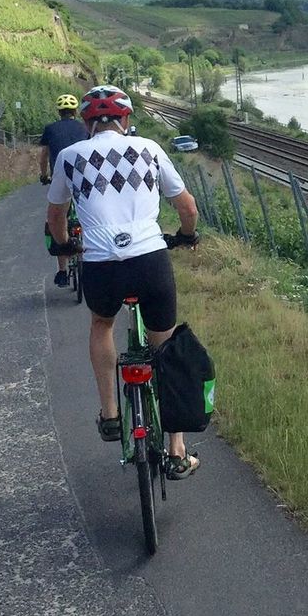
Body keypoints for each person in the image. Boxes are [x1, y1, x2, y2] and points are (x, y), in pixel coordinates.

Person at [46, 85, 202, 478]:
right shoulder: (149, 149)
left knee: (102, 324)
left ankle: (111, 415)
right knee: (165, 346)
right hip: (150, 260)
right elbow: (187, 207)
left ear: (87, 123)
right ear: (126, 119)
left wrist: (64, 244)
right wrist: (186, 236)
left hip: (101, 265)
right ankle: (177, 450)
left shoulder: (69, 156)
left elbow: (56, 216)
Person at [40, 95, 90, 286]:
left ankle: (62, 272)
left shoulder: (50, 129)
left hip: (60, 180)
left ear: (59, 112)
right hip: (84, 181)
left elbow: (44, 156)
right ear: (75, 112)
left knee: (57, 220)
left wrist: (44, 175)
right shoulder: (84, 128)